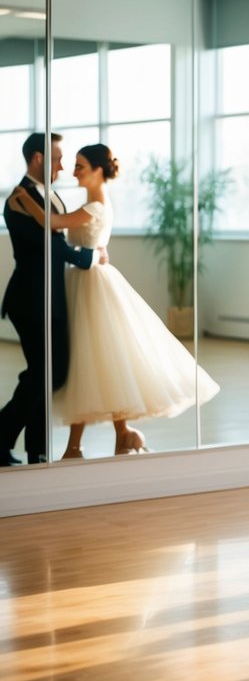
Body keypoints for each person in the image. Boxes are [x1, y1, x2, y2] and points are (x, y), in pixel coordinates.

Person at [10, 143, 219, 459]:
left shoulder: (95, 206)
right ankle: (118, 435)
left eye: (80, 165)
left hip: (92, 285)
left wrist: (25, 200)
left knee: (91, 359)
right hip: (82, 281)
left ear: (97, 170)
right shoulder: (89, 203)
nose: (73, 170)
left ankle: (85, 444)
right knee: (92, 362)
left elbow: (52, 225)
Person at [0, 133, 101, 466]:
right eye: (57, 158)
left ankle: (37, 453)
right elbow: (49, 245)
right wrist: (86, 258)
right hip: (30, 299)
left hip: (50, 299)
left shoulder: (48, 195)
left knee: (45, 374)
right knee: (47, 373)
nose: (62, 165)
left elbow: (58, 229)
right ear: (38, 159)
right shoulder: (18, 197)